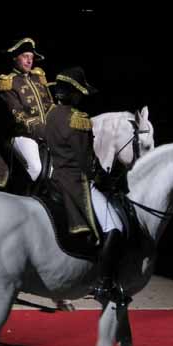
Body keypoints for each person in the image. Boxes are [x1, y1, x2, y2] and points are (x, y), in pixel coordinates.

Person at [44, 67, 127, 306]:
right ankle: (104, 283)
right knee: (115, 227)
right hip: (76, 183)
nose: (82, 98)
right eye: (80, 93)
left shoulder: (50, 115)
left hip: (54, 179)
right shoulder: (78, 119)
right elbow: (86, 161)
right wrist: (105, 179)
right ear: (74, 94)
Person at [0, 37, 55, 194]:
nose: (29, 61)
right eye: (25, 56)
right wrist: (44, 131)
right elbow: (18, 115)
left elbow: (50, 105)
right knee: (35, 168)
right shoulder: (9, 82)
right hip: (22, 134)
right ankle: (18, 202)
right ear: (15, 58)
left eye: (31, 57)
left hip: (47, 133)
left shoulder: (38, 78)